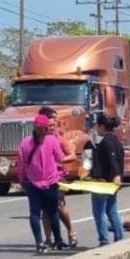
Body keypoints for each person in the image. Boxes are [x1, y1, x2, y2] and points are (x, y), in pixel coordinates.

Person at [19, 114, 68, 253]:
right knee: (52, 212)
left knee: (34, 213)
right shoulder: (51, 140)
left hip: (32, 183)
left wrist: (22, 180)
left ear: (33, 126)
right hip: (51, 182)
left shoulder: (25, 142)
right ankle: (58, 240)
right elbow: (61, 158)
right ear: (47, 127)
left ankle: (39, 242)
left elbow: (21, 165)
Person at [38, 106, 78, 248]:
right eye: (51, 121)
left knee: (59, 205)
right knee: (45, 210)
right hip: (41, 178)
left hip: (58, 176)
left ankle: (71, 232)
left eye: (54, 121)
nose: (54, 124)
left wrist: (56, 161)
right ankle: (48, 239)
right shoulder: (35, 139)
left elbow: (72, 155)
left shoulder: (58, 139)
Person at [90, 116, 125, 246]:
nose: (96, 129)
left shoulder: (107, 142)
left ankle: (104, 240)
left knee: (99, 212)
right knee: (111, 210)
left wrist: (116, 175)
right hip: (111, 183)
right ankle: (119, 236)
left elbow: (113, 159)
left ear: (102, 126)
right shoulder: (116, 140)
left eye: (97, 126)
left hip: (103, 183)